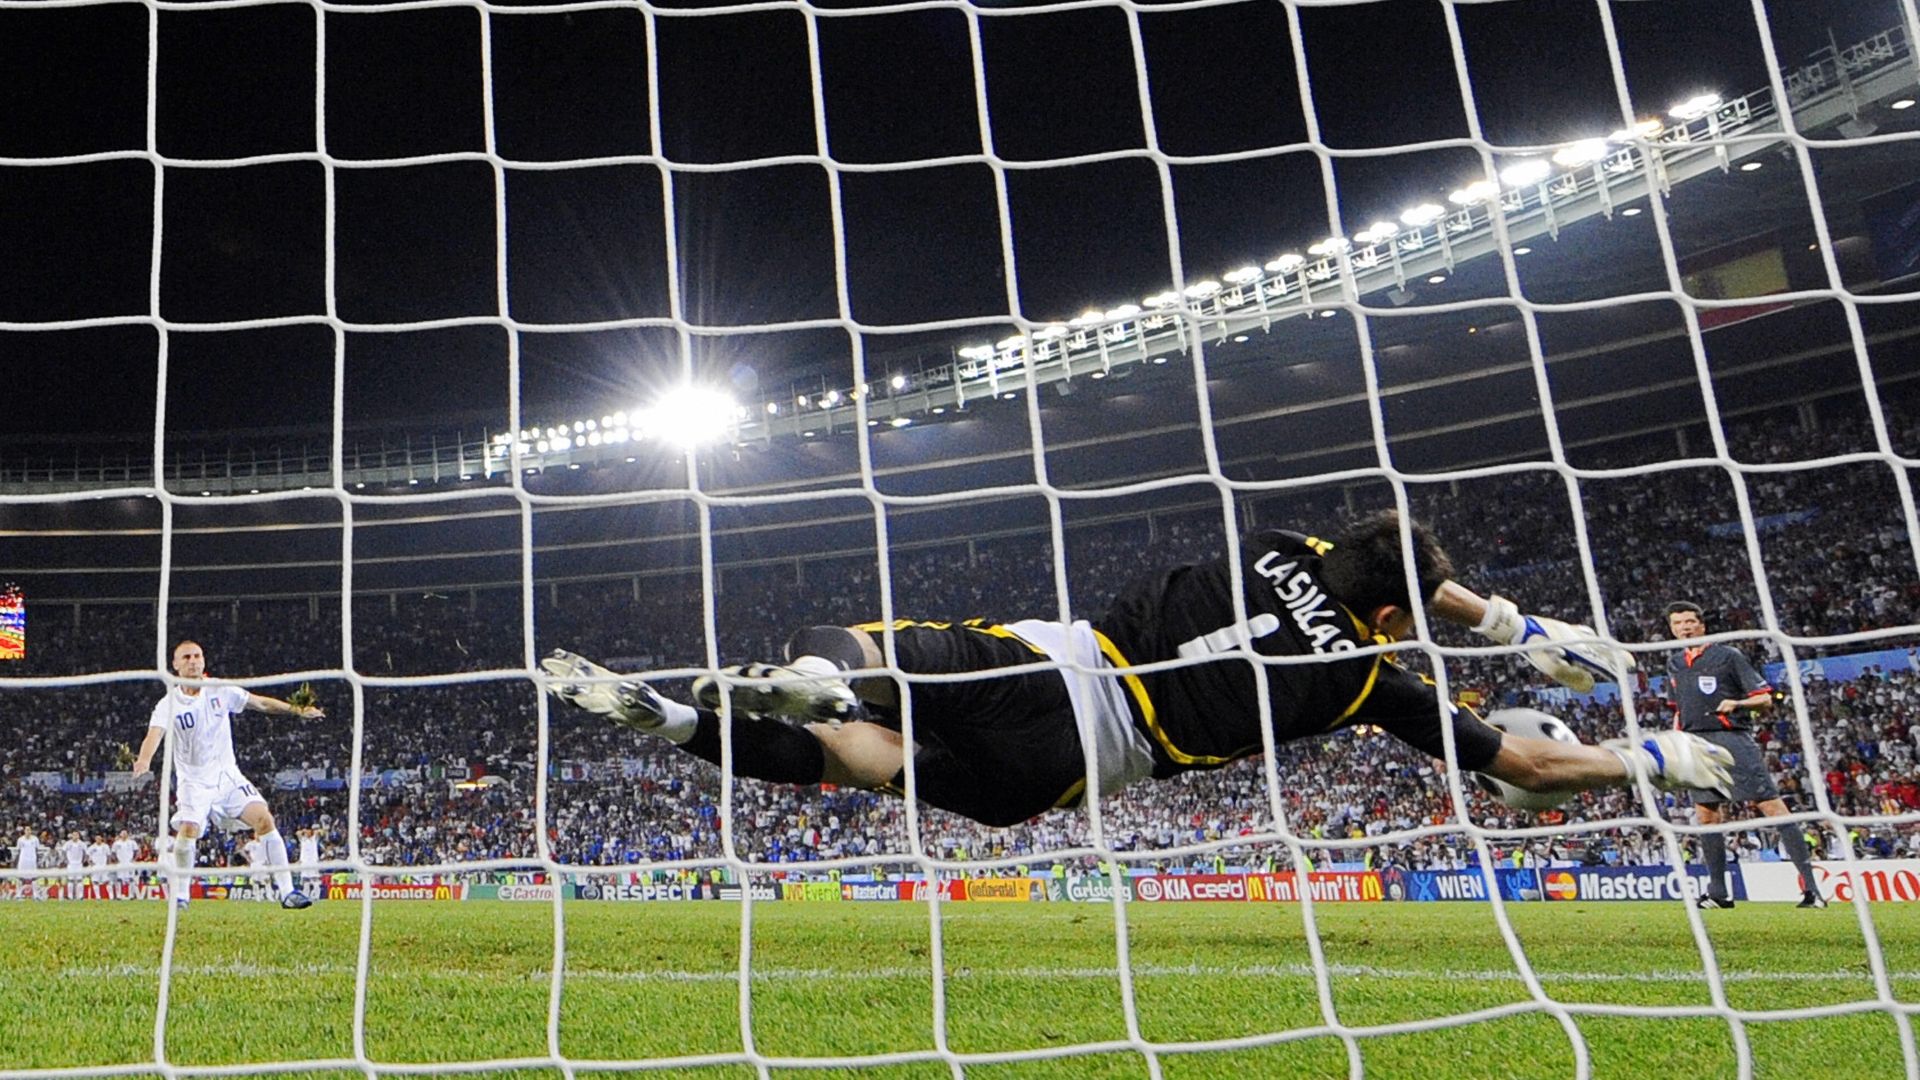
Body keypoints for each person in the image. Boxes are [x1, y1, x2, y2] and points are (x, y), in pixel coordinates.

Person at [545, 512, 1733, 828]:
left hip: (1059, 663)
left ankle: (691, 709)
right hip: (1078, 768)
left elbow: (1383, 561)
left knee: (848, 652)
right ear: (1390, 616)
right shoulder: (1376, 684)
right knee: (861, 768)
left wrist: (1501, 616)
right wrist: (1643, 754)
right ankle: (680, 720)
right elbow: (1520, 763)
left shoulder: (1279, 546)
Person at [132, 640, 326, 910]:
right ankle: (181, 895)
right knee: (189, 830)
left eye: (197, 655)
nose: (193, 661)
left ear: (204, 661)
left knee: (264, 819)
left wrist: (295, 710)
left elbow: (260, 703)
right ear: (175, 665)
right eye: (186, 657)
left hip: (228, 777)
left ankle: (288, 892)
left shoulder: (220, 690)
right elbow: (154, 735)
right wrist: (143, 760)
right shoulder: (168, 703)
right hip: (194, 782)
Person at [1663, 601, 1825, 909]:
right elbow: (1679, 709)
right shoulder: (1675, 663)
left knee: (1771, 807)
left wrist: (1737, 705)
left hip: (1732, 740)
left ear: (1701, 625)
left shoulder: (1728, 656)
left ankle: (1812, 890)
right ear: (1671, 629)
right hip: (1695, 744)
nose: (1683, 627)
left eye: (1688, 622)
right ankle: (1719, 892)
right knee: (1707, 816)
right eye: (1677, 623)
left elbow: (1764, 699)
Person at [13, 826, 43, 901]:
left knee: (34, 878)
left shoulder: (35, 839)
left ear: (31, 831)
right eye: (26, 830)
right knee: (21, 878)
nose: (28, 831)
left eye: (29, 830)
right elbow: (19, 851)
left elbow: (37, 850)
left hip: (32, 861)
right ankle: (18, 895)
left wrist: (37, 861)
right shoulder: (20, 840)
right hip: (23, 861)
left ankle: (36, 896)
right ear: (24, 831)